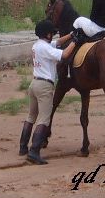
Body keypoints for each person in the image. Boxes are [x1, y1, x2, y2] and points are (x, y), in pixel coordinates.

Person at [19, 19, 77, 165]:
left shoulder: (37, 45)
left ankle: (23, 147)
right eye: (51, 33)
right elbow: (63, 55)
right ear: (48, 34)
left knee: (31, 116)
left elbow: (57, 43)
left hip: (34, 84)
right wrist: (75, 42)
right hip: (44, 86)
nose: (53, 35)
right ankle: (34, 151)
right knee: (44, 119)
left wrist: (70, 35)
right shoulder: (45, 49)